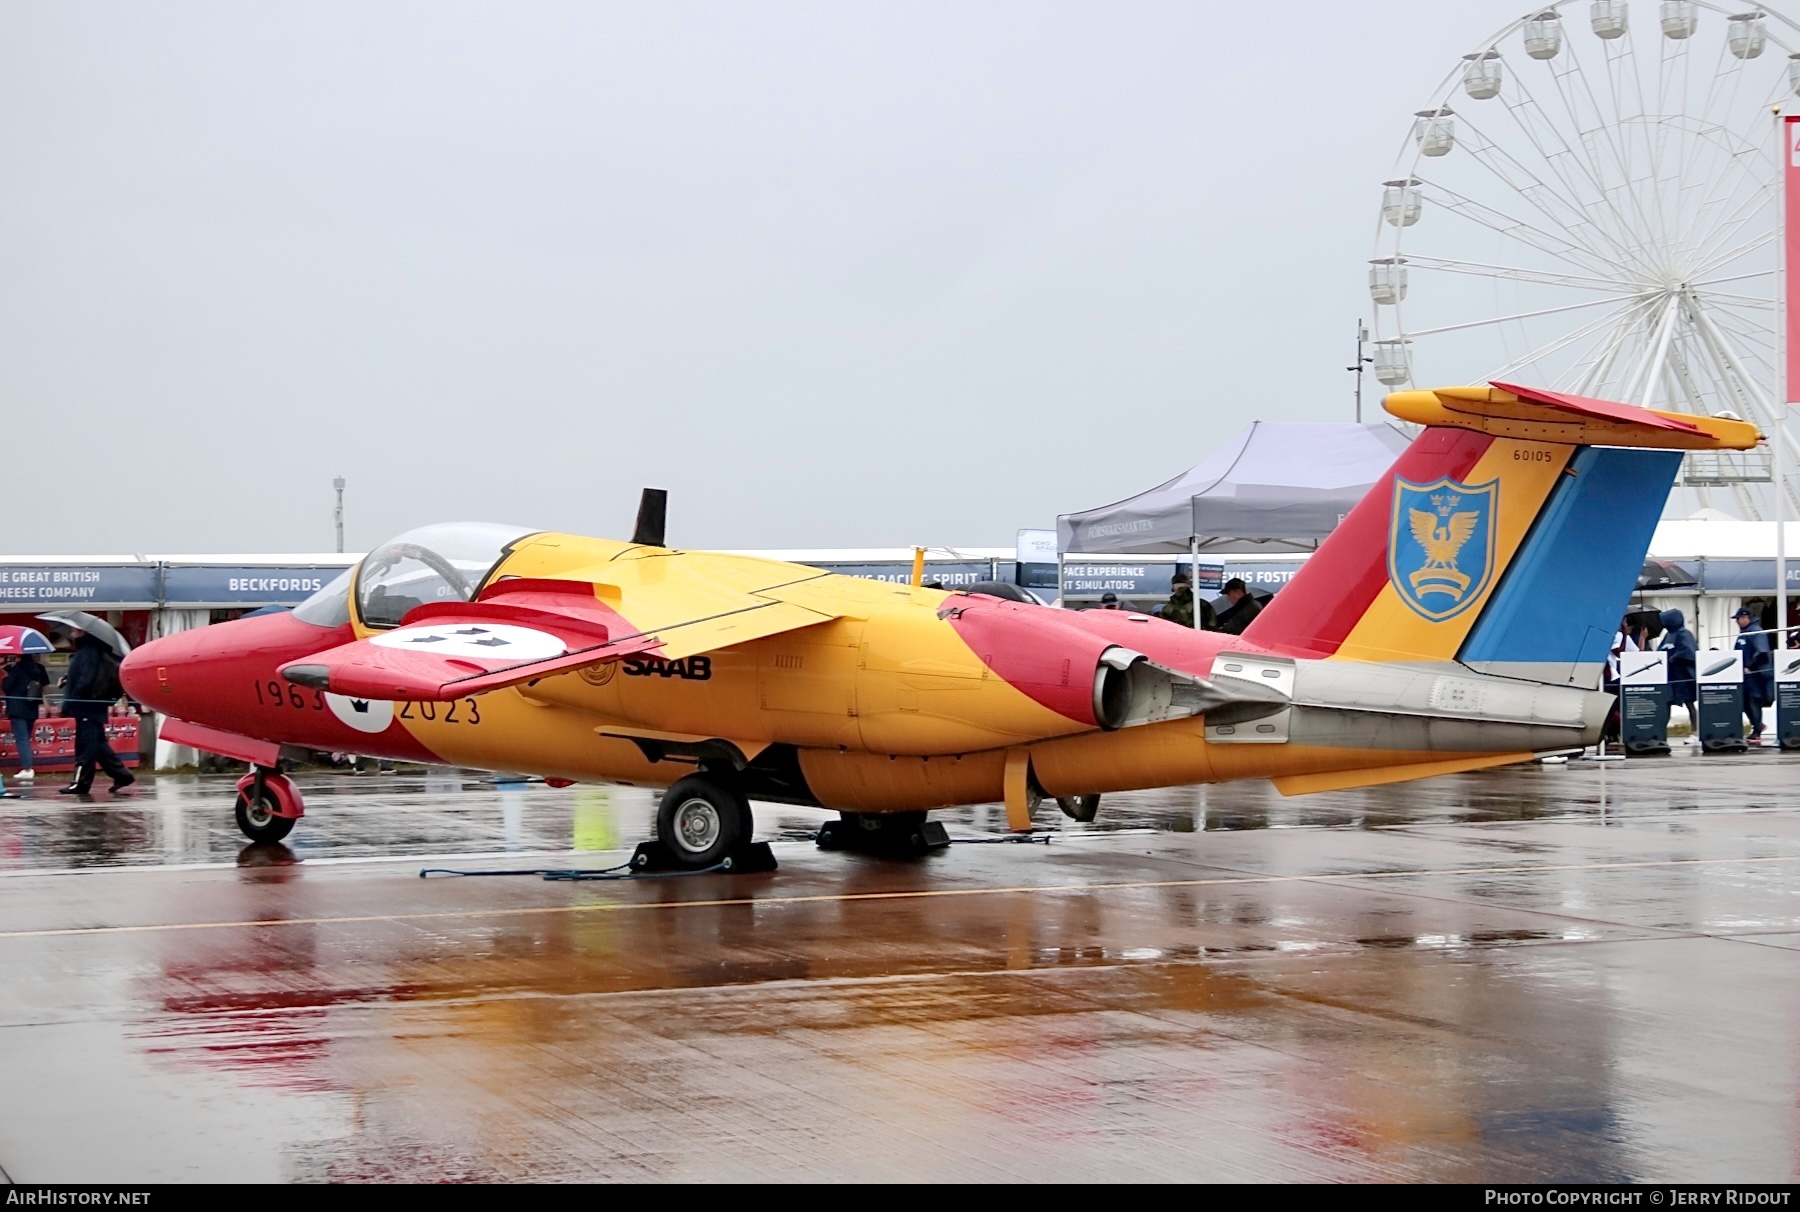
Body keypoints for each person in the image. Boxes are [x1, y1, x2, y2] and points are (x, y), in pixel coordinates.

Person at [57, 628, 135, 796]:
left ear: (84, 632)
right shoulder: (91, 651)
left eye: (75, 630)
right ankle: (122, 775)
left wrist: (74, 698)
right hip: (91, 707)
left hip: (86, 706)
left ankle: (81, 783)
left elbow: (86, 678)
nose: (71, 633)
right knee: (97, 745)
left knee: (85, 746)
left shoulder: (88, 652)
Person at [3, 653, 50, 782]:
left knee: (22, 739)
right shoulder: (39, 668)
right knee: (26, 738)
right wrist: (48, 702)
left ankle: (27, 769)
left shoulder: (14, 669)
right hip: (32, 707)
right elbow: (45, 687)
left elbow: (7, 687)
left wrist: (6, 675)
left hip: (17, 708)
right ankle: (27, 766)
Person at [1735, 606, 1774, 744]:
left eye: (1738, 619)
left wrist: (1750, 666)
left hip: (1756, 675)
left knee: (1754, 701)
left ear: (1746, 618)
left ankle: (1757, 732)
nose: (1737, 622)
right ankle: (1758, 725)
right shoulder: (1744, 633)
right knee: (1744, 702)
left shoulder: (1756, 632)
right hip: (1745, 677)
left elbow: (1762, 652)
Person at [1657, 608, 1698, 729]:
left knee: (1689, 703)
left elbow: (1689, 652)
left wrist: (1674, 657)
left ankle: (1695, 731)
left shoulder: (1684, 633)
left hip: (1683, 676)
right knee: (1666, 702)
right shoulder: (1668, 635)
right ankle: (1661, 730)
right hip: (1670, 676)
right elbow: (1661, 650)